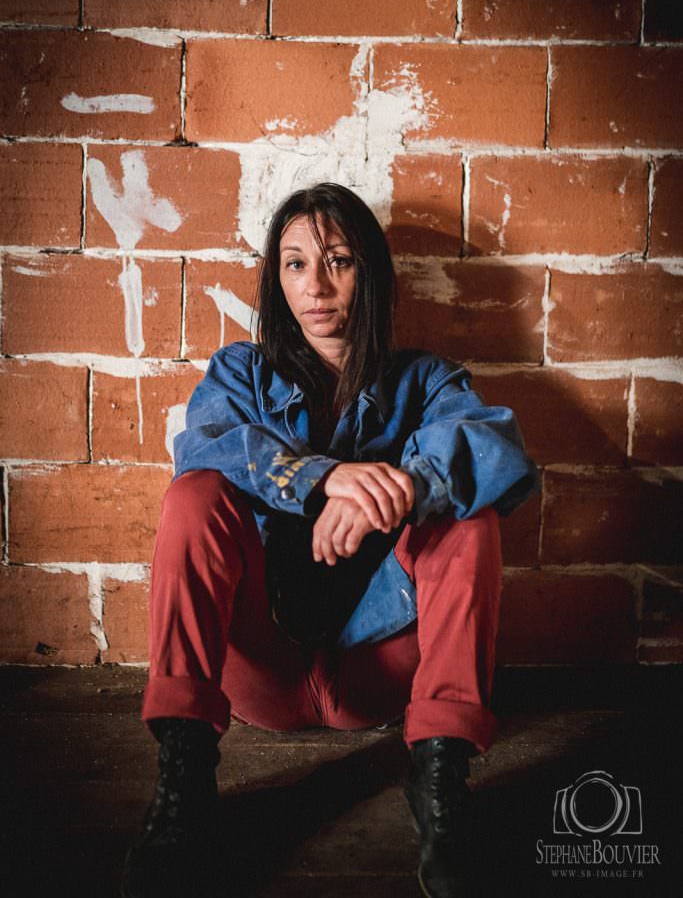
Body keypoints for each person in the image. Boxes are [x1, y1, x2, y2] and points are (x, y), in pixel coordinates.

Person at [121, 182, 538, 898]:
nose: (315, 285)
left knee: (467, 513)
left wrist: (401, 489)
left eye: (337, 261)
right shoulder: (241, 373)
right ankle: (184, 781)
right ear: (277, 279)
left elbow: (497, 450)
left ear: (368, 272)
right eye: (295, 264)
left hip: (382, 671)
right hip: (263, 670)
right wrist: (322, 479)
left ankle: (441, 781)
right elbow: (207, 446)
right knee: (193, 493)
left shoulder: (425, 381)